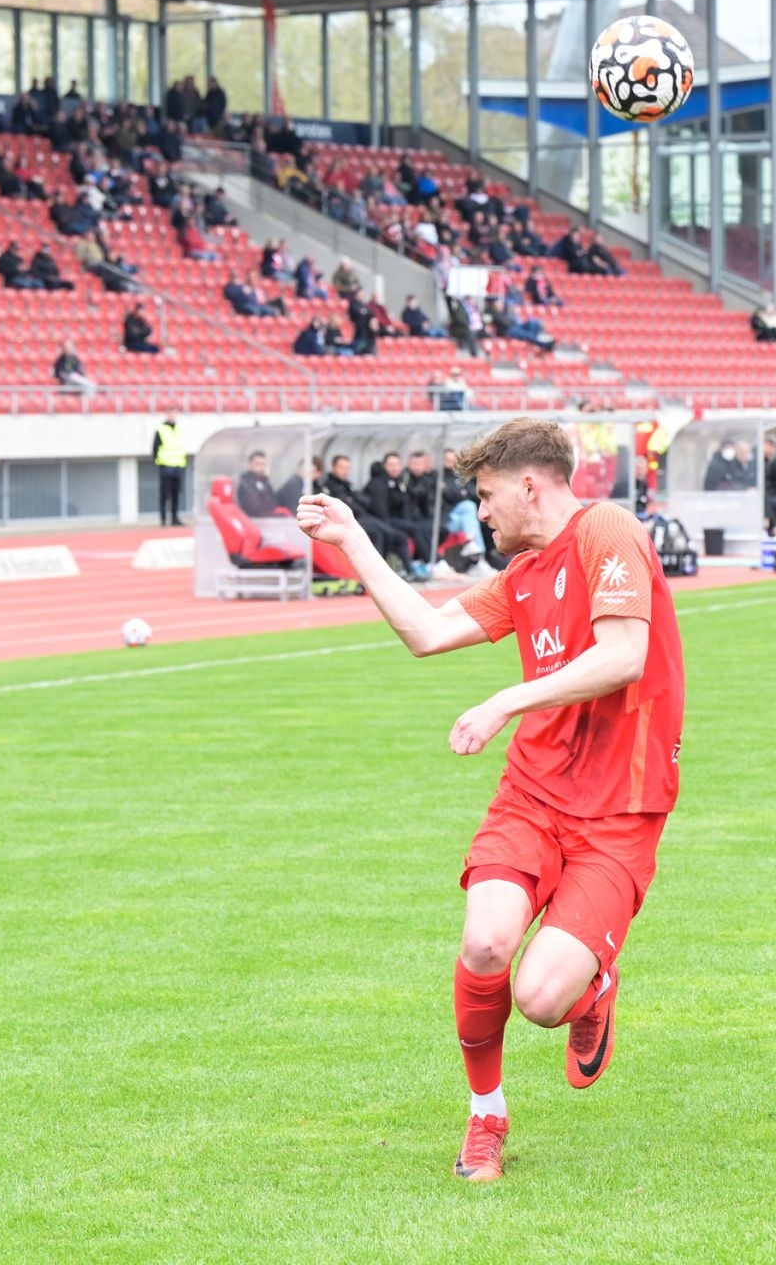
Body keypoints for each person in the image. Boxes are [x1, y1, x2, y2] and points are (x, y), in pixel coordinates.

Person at [294, 417, 686, 1184]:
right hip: (532, 797)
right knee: (483, 947)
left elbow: (624, 655)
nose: (482, 512)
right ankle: (486, 1117)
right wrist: (354, 542)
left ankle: (591, 989)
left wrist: (506, 698)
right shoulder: (525, 576)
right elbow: (425, 632)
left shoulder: (608, 530)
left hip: (619, 809)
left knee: (541, 998)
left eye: (486, 495)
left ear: (529, 486)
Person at [153, 413, 188, 526]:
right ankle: (163, 519)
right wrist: (159, 462)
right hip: (166, 466)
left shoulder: (179, 429)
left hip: (178, 466)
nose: (173, 417)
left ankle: (174, 518)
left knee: (175, 495)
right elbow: (155, 448)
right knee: (164, 495)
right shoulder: (161, 429)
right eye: (171, 414)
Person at [234, 451, 279, 518]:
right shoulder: (245, 484)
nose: (261, 467)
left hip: (267, 518)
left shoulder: (265, 482)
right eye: (258, 464)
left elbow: (273, 502)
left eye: (263, 464)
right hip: (254, 520)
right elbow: (254, 508)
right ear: (250, 465)